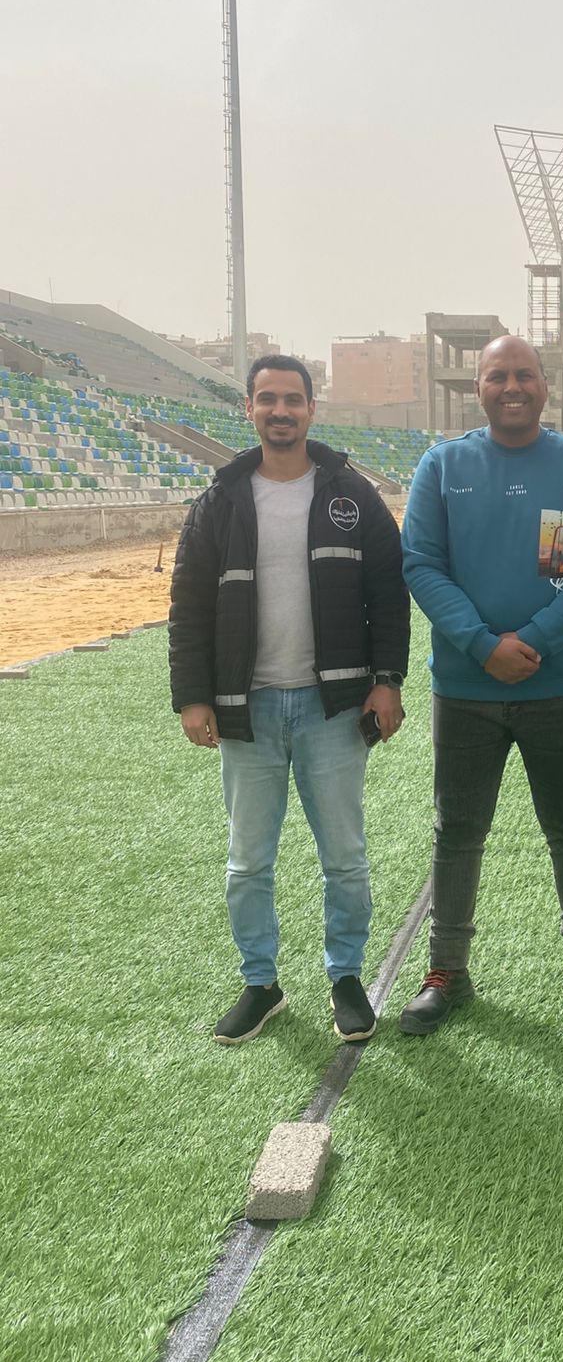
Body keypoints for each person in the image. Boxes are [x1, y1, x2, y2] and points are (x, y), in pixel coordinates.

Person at [169, 357, 409, 1047]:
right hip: (246, 709)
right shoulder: (220, 500)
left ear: (311, 409)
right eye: (268, 399)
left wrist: (387, 679)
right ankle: (260, 983)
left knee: (345, 857)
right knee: (248, 861)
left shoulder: (351, 495)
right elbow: (189, 606)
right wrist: (192, 698)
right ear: (248, 408)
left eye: (293, 399)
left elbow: (388, 593)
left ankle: (346, 978)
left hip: (332, 708)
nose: (281, 410)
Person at [399, 335, 563, 1033]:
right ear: (478, 388)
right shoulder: (443, 466)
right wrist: (481, 644)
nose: (512, 386)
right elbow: (422, 563)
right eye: (497, 376)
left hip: (558, 688)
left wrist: (535, 641)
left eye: (524, 374)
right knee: (458, 831)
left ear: (544, 385)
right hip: (466, 691)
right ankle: (447, 972)